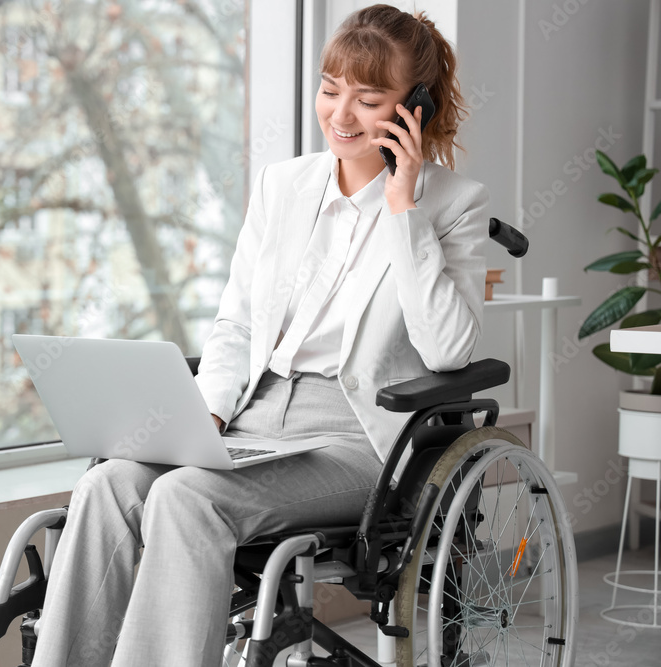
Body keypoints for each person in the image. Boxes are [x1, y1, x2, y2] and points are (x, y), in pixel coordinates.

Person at [30, 4, 488, 666]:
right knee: (108, 485)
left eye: (368, 98)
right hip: (253, 417)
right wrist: (207, 411)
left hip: (356, 440)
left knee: (186, 498)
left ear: (413, 107)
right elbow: (237, 322)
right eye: (331, 90)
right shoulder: (282, 186)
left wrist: (403, 208)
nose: (341, 114)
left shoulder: (454, 204)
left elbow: (448, 349)